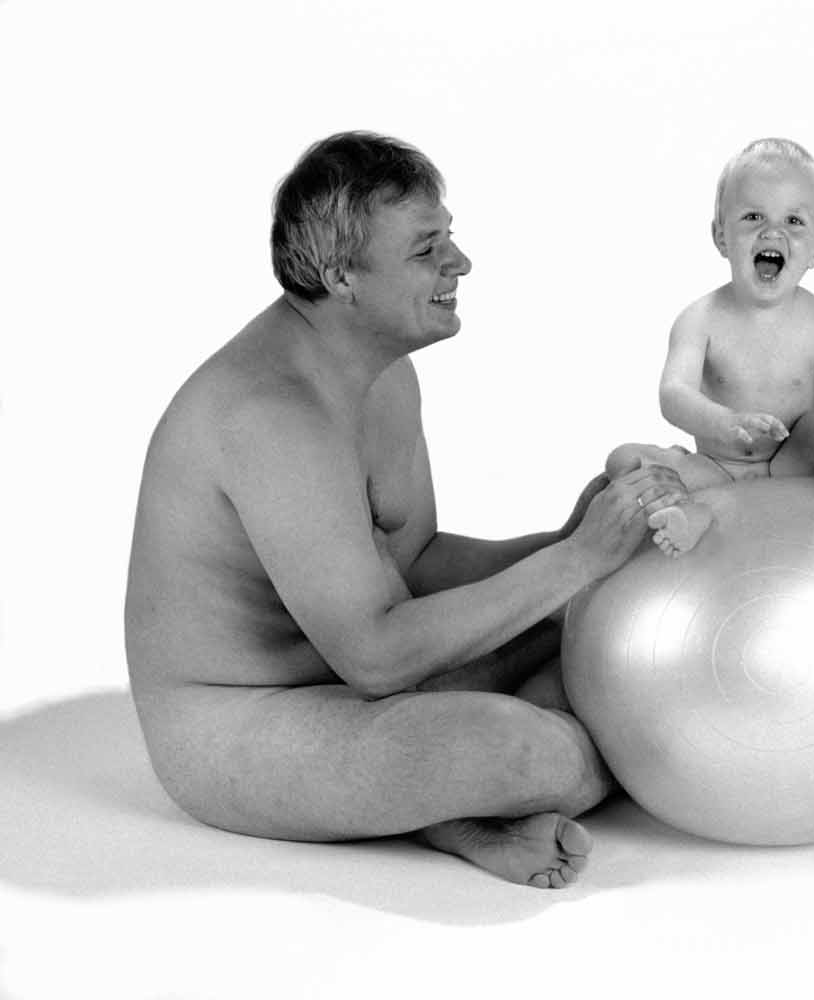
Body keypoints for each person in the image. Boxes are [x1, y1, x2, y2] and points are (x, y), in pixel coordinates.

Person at [123, 131, 686, 889]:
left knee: (611, 646)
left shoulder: (379, 371)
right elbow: (376, 657)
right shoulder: (270, 418)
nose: (461, 263)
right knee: (538, 749)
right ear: (341, 277)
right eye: (427, 250)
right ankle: (449, 803)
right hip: (245, 720)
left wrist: (569, 537)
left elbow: (415, 561)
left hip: (380, 690)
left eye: (448, 239)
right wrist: (576, 561)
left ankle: (431, 806)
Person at [605, 138, 814, 583]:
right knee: (624, 459)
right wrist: (722, 423)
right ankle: (687, 511)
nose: (773, 233)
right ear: (721, 236)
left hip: (796, 464)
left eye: (794, 220)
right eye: (753, 217)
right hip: (715, 469)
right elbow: (673, 394)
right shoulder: (699, 319)